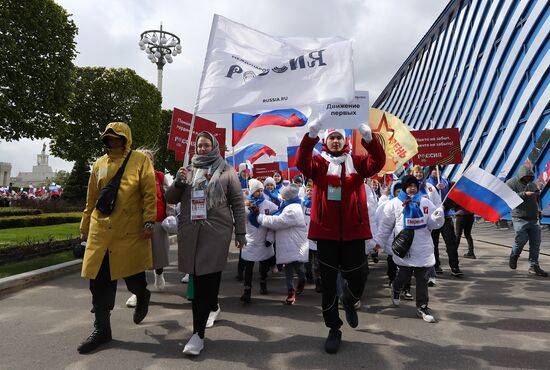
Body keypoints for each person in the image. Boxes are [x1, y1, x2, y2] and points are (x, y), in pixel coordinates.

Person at [296, 117, 385, 354]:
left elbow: (377, 163)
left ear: (345, 140)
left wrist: (369, 139)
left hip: (354, 233)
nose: (335, 141)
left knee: (359, 276)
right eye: (331, 138)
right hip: (326, 234)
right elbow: (301, 162)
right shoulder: (318, 163)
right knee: (328, 286)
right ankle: (334, 328)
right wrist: (311, 135)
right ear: (326, 141)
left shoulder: (356, 161)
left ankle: (350, 298)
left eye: (338, 138)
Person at [77, 122, 156, 354]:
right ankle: (102, 329)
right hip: (100, 231)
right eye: (109, 138)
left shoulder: (141, 161)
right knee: (98, 283)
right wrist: (84, 227)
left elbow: (149, 193)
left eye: (117, 137)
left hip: (128, 231)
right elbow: (91, 199)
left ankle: (142, 295)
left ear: (126, 139)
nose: (113, 141)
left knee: (133, 276)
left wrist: (149, 220)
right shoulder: (99, 164)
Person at [165, 131, 246, 356]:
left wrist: (240, 234)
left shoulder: (227, 171)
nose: (202, 149)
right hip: (191, 232)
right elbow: (170, 198)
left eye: (206, 145)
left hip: (216, 233)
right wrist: (179, 182)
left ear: (214, 147)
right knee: (200, 283)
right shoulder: (187, 170)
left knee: (205, 283)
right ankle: (208, 313)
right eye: (199, 145)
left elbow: (238, 204)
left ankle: (197, 335)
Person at [376, 175, 445, 323]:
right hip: (405, 248)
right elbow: (386, 226)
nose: (412, 188)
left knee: (422, 279)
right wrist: (379, 243)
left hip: (422, 248)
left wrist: (438, 217)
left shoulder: (425, 202)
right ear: (403, 187)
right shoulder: (394, 204)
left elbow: (432, 224)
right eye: (409, 185)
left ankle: (422, 306)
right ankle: (396, 288)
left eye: (414, 185)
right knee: (404, 276)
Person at [125, 148, 171, 308]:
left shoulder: (160, 177)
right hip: (136, 224)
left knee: (157, 256)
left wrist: (170, 217)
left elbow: (168, 199)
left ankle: (159, 273)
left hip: (157, 222)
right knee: (136, 260)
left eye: (147, 159)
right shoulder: (130, 178)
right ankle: (138, 292)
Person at [258, 184, 309, 305]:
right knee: (289, 270)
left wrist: (260, 217)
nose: (281, 198)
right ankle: (291, 292)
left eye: (283, 197)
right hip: (286, 245)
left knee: (299, 268)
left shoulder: (294, 209)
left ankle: (302, 280)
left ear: (289, 197)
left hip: (296, 245)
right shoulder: (286, 207)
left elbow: (279, 221)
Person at [240, 179, 278, 303]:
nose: (260, 192)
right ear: (252, 191)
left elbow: (274, 221)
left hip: (263, 240)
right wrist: (240, 237)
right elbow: (240, 222)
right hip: (250, 240)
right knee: (248, 267)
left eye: (261, 190)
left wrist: (270, 239)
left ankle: (263, 282)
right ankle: (247, 291)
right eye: (257, 190)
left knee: (263, 265)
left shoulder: (268, 204)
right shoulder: (245, 205)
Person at [507, 166, 547, 277]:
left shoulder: (532, 184)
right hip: (519, 217)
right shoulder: (511, 183)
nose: (529, 179)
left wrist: (538, 208)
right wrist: (525, 194)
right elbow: (508, 198)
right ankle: (514, 255)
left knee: (535, 243)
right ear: (521, 176)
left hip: (533, 218)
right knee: (521, 239)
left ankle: (534, 266)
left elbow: (536, 199)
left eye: (531, 177)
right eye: (527, 177)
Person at [425, 166, 463, 277]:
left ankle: (455, 266)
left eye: (438, 170)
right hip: (433, 218)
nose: (436, 172)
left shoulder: (446, 183)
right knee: (433, 243)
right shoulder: (426, 184)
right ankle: (436, 265)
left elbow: (451, 199)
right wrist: (436, 189)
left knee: (451, 242)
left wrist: (447, 207)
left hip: (446, 216)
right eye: (434, 170)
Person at [303, 185, 321, 292]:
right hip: (305, 236)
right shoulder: (302, 203)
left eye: (311, 190)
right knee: (307, 260)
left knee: (317, 261)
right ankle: (308, 276)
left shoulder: (318, 202)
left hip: (315, 236)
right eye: (307, 190)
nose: (309, 192)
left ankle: (318, 281)